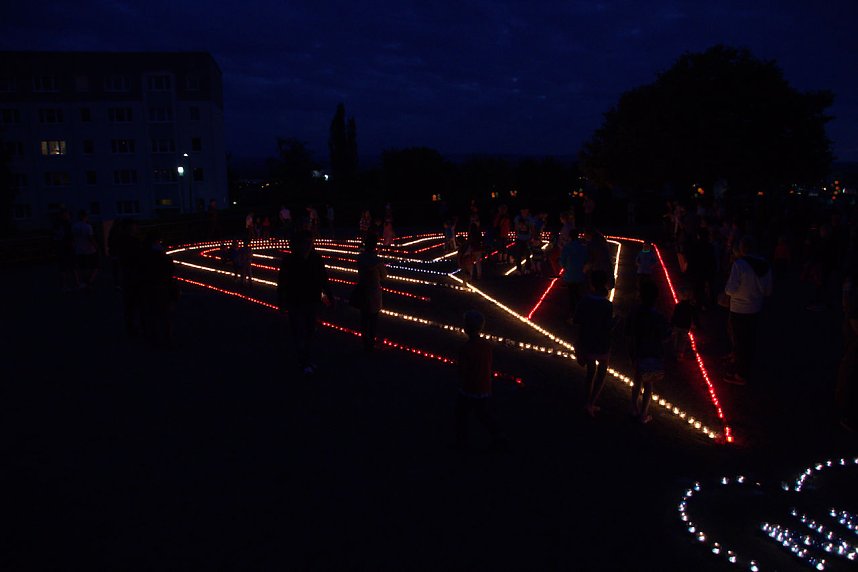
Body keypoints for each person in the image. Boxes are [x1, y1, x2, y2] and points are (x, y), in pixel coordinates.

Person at [277, 230, 334, 375]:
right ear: (299, 244)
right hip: (295, 301)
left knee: (310, 332)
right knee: (298, 333)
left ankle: (306, 359)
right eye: (306, 242)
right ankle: (303, 361)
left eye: (311, 242)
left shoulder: (317, 259)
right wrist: (281, 302)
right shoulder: (289, 261)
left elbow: (323, 279)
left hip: (313, 301)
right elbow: (282, 283)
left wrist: (329, 297)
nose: (309, 245)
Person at [722, 235, 773, 385]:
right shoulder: (765, 264)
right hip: (755, 308)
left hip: (739, 308)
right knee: (749, 340)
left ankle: (740, 374)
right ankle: (743, 367)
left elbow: (730, 289)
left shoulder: (740, 264)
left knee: (739, 340)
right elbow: (768, 291)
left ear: (742, 249)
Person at [455, 310, 505, 450]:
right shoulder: (487, 345)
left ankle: (461, 442)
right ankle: (499, 436)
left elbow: (463, 371)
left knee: (462, 415)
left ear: (467, 328)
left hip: (470, 388)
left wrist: (460, 383)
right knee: (483, 414)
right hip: (485, 387)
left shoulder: (466, 348)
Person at [626, 281, 670, 423]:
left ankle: (633, 408)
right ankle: (643, 413)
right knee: (648, 384)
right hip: (653, 353)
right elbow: (665, 336)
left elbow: (629, 332)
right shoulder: (659, 317)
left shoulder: (635, 313)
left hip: (638, 351)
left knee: (637, 380)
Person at [573, 270, 614, 416]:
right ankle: (592, 402)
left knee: (590, 372)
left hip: (588, 340)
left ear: (591, 284)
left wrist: (577, 343)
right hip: (602, 342)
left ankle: (587, 402)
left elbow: (577, 322)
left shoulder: (584, 301)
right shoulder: (608, 305)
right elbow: (608, 326)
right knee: (601, 372)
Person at [356, 233, 387, 352]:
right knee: (373, 318)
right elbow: (384, 275)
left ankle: (365, 342)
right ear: (375, 245)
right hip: (373, 291)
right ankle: (371, 343)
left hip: (362, 289)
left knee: (364, 317)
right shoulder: (377, 260)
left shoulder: (360, 257)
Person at [560, 227, 588, 320]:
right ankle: (582, 313)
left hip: (570, 275)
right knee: (579, 294)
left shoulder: (567, 247)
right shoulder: (583, 248)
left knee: (572, 295)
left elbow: (562, 262)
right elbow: (586, 260)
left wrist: (566, 267)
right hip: (581, 275)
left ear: (570, 237)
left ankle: (573, 315)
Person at [670, 287, 700, 360]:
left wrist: (672, 324)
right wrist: (696, 324)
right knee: (683, 340)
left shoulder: (678, 306)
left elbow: (674, 316)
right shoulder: (691, 307)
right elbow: (694, 316)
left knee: (677, 339)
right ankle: (680, 354)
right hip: (686, 326)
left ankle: (675, 352)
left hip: (677, 326)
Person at [72, 210, 99, 289]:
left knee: (82, 267)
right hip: (89, 250)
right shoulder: (88, 226)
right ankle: (89, 281)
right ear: (85, 217)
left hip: (79, 250)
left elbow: (73, 238)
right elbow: (90, 238)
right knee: (94, 266)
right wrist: (96, 246)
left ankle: (84, 281)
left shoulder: (74, 226)